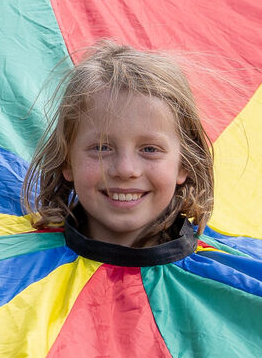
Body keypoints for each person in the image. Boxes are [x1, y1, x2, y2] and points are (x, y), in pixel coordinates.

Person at [22, 41, 214, 265]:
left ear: (185, 164)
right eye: (102, 148)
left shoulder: (225, 285)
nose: (125, 170)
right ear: (67, 161)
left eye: (150, 149)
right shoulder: (18, 268)